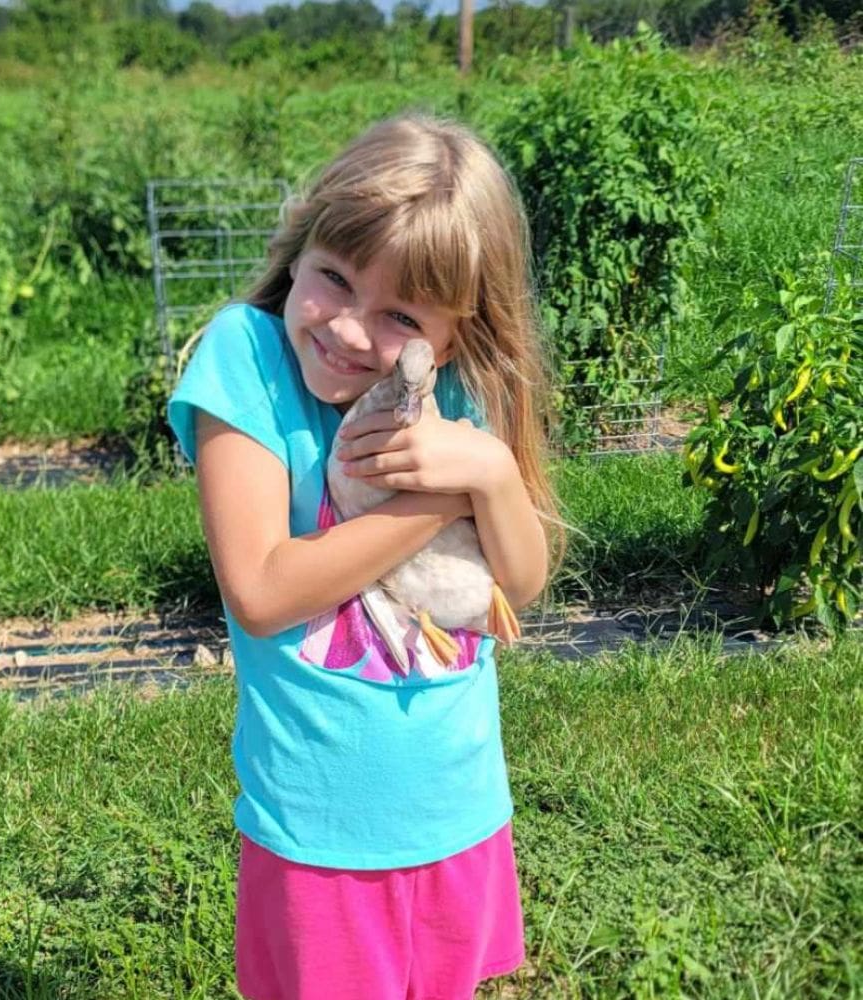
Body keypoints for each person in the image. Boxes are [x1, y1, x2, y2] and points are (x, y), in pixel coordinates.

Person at [167, 114, 567, 1000]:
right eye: (335, 279)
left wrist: (494, 476)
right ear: (300, 246)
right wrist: (435, 500)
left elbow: (523, 582)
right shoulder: (248, 359)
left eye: (398, 315)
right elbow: (264, 591)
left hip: (458, 812)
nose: (348, 330)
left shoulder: (458, 392)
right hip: (320, 832)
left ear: (456, 333)